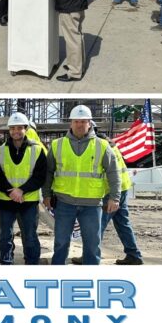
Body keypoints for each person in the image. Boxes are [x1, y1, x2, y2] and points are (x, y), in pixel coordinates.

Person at [42, 104, 120, 265]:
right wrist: (47, 195)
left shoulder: (102, 146)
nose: (79, 124)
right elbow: (48, 172)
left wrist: (115, 197)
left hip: (91, 205)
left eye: (83, 121)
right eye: (76, 121)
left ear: (89, 123)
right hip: (64, 203)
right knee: (61, 243)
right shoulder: (57, 145)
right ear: (71, 123)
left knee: (92, 245)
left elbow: (113, 173)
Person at [0, 112, 47, 265]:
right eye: (12, 128)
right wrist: (11, 191)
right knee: (5, 236)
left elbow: (40, 176)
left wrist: (21, 190)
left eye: (19, 128)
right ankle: (7, 262)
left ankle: (32, 263)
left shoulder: (37, 150)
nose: (16, 131)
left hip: (28, 201)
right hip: (6, 201)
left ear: (26, 129)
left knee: (29, 236)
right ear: (9, 130)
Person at [98, 125, 143, 265]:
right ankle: (133, 254)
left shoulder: (101, 146)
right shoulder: (111, 144)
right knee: (123, 223)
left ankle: (91, 254)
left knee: (97, 224)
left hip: (111, 191)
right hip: (123, 188)